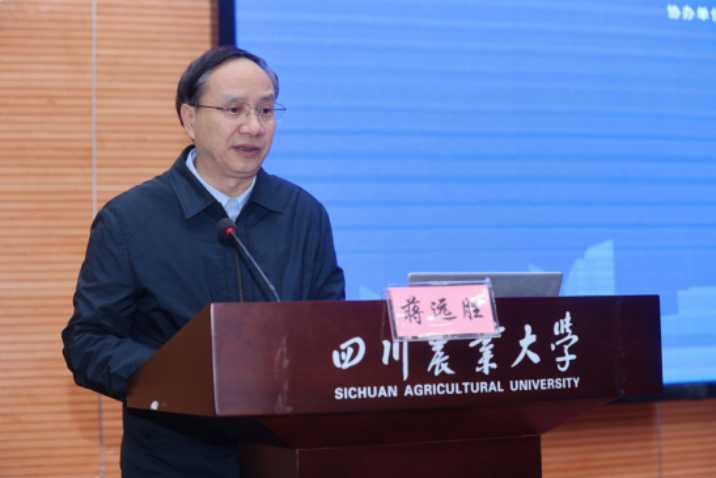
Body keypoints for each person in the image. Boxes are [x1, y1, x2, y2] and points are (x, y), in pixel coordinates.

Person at [62, 46, 345, 477]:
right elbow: (88, 342)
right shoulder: (130, 220)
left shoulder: (303, 214)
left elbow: (330, 331)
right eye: (234, 109)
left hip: (285, 458)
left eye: (266, 110)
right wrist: (181, 377)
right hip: (173, 461)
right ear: (189, 118)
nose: (253, 126)